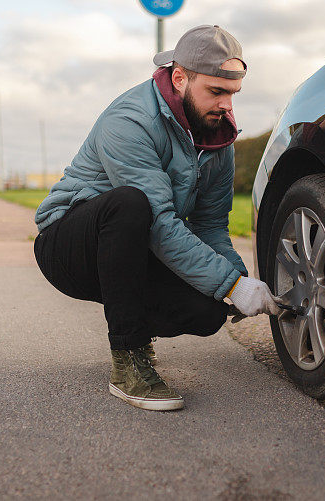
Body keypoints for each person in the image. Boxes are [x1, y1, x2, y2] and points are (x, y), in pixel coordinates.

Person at [33, 25, 280, 411]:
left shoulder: (218, 139)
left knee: (209, 309)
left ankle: (133, 322)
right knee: (130, 204)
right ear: (180, 77)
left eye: (232, 93)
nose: (227, 106)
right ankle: (128, 358)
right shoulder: (130, 120)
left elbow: (210, 226)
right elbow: (161, 222)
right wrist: (232, 284)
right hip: (69, 245)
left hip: (136, 246)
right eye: (216, 92)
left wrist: (239, 281)